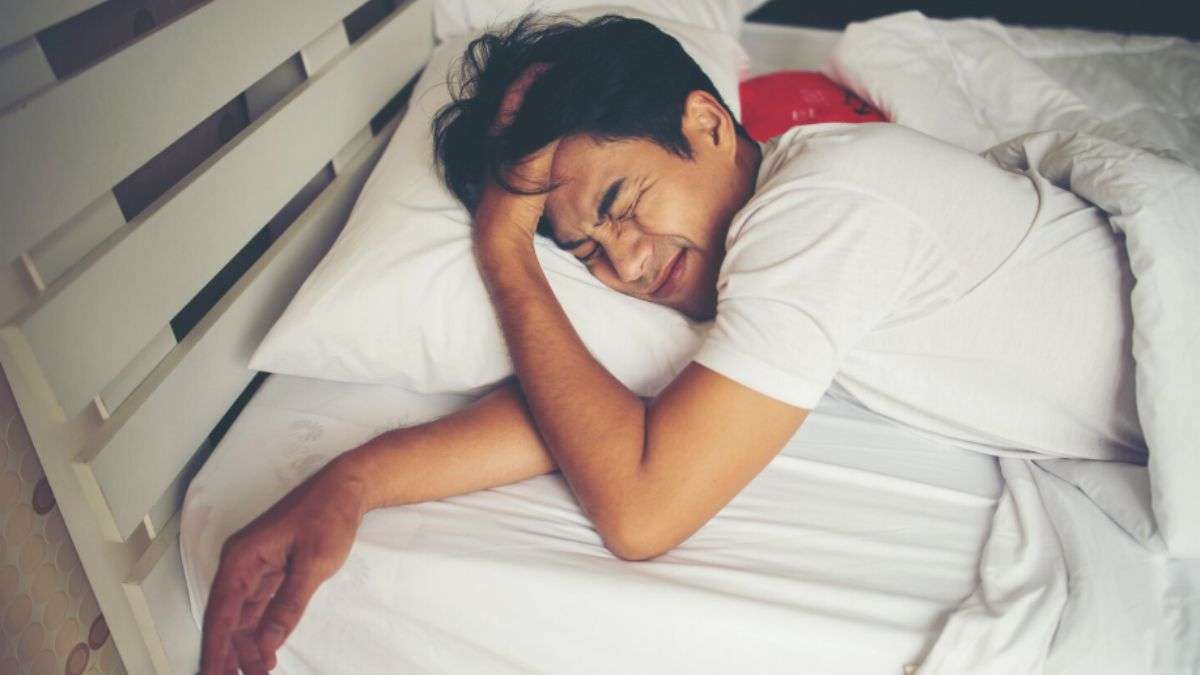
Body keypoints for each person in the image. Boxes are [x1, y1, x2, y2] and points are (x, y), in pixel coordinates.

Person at [199, 14, 1144, 673]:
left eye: (622, 205)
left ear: (708, 123)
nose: (626, 262)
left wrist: (506, 255)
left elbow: (642, 508)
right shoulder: (734, 250)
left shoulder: (819, 213)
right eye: (585, 251)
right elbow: (595, 411)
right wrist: (351, 483)